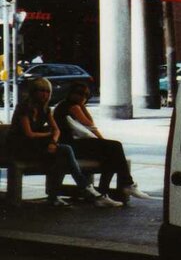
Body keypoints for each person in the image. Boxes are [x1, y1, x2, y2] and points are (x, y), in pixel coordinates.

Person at [6, 77, 117, 207]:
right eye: (41, 91)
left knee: (62, 155)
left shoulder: (46, 109)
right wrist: (49, 135)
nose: (44, 94)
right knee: (65, 150)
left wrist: (53, 141)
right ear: (33, 92)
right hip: (20, 147)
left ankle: (57, 196)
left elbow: (57, 130)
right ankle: (85, 188)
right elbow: (29, 134)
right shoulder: (23, 108)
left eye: (47, 91)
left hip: (37, 146)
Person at [53, 82, 150, 203]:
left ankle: (103, 195)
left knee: (110, 156)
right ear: (71, 94)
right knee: (115, 146)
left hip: (73, 144)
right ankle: (125, 184)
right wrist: (102, 141)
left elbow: (88, 125)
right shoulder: (73, 107)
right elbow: (90, 125)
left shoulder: (65, 105)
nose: (82, 97)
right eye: (79, 94)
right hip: (72, 145)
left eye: (85, 95)